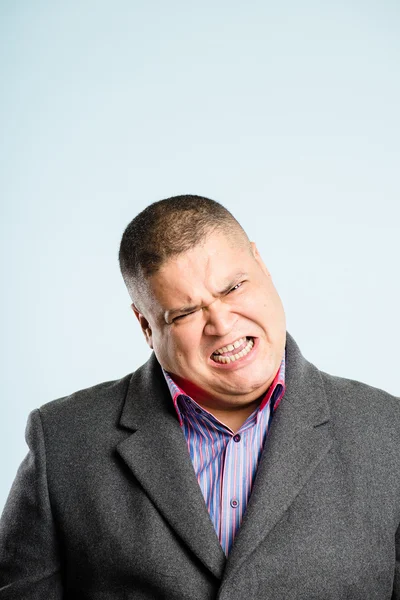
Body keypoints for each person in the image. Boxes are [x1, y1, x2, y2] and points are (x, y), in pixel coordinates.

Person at [0, 194, 399, 600]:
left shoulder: (388, 431)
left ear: (262, 265)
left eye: (234, 287)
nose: (222, 325)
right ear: (145, 325)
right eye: (186, 313)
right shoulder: (63, 439)